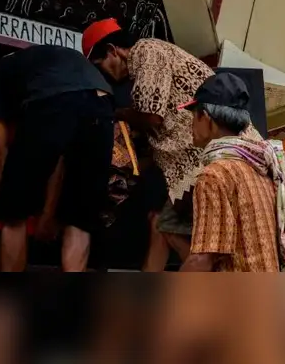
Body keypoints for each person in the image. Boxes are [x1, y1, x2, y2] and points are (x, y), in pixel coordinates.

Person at [82, 18, 216, 271]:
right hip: (191, 163)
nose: (104, 74)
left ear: (113, 50)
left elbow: (153, 117)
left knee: (164, 226)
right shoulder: (150, 61)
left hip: (201, 162)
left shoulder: (147, 51)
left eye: (101, 65)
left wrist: (115, 112)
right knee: (158, 224)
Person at [0, 43, 114, 272]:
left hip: (55, 98)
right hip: (103, 100)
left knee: (14, 214)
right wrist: (47, 214)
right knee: (80, 217)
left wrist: (4, 184)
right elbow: (57, 158)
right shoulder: (34, 63)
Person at [177, 73, 285, 272]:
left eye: (193, 115)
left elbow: (202, 260)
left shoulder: (214, 175)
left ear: (205, 117)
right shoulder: (267, 169)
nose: (191, 125)